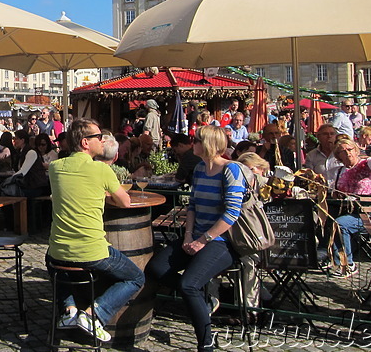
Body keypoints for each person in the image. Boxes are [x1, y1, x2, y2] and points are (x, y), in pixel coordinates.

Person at [147, 125, 246, 352]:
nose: (193, 144)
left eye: (197, 141)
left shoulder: (231, 170)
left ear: (208, 144)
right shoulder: (201, 168)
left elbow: (232, 213)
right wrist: (189, 235)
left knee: (188, 284)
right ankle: (202, 299)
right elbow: (191, 205)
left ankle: (206, 341)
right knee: (156, 268)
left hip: (222, 242)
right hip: (196, 235)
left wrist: (204, 240)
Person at [46, 118, 144, 343]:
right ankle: (94, 314)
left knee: (54, 265)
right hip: (92, 252)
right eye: (98, 137)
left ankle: (69, 311)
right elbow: (125, 202)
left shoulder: (55, 168)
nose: (103, 140)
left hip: (57, 250)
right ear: (85, 142)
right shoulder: (101, 169)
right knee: (136, 277)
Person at [327, 137, 371, 277]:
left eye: (350, 149)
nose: (347, 153)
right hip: (347, 211)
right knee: (322, 218)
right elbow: (334, 193)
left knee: (340, 224)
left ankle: (347, 265)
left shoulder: (368, 164)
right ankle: (323, 255)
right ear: (338, 156)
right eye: (342, 151)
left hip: (368, 215)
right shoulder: (339, 171)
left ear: (356, 150)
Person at [236, 152, 271, 317]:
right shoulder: (239, 187)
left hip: (268, 239)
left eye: (250, 169)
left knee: (248, 260)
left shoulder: (268, 185)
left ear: (260, 169)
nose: (246, 174)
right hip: (246, 237)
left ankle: (249, 309)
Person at [12, 129, 50, 197]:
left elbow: (23, 171)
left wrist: (9, 180)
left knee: (11, 193)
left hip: (36, 187)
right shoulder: (20, 152)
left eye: (16, 138)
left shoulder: (31, 152)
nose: (14, 141)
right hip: (28, 185)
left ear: (22, 140)